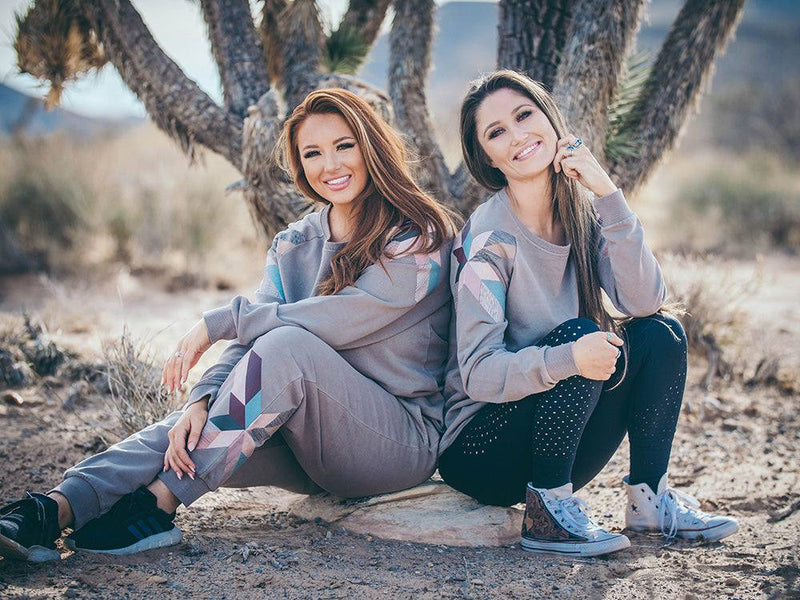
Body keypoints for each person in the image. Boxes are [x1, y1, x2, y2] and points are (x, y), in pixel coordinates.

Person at [0, 88, 457, 562]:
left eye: (345, 145)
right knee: (185, 429)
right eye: (312, 153)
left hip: (399, 443)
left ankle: (156, 507)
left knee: (287, 347)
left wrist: (221, 321)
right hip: (310, 445)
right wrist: (203, 398)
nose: (331, 165)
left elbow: (341, 319)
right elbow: (253, 342)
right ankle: (50, 511)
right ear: (299, 168)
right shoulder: (293, 243)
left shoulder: (419, 236)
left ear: (371, 146)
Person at [438, 70, 738, 557]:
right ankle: (548, 516)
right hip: (481, 450)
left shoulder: (579, 211)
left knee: (661, 331)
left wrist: (607, 194)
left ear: (549, 119)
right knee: (579, 337)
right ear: (486, 158)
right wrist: (568, 358)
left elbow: (643, 301)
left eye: (524, 115)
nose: (517, 136)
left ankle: (650, 499)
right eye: (496, 133)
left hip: (556, 430)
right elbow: (477, 374)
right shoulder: (489, 241)